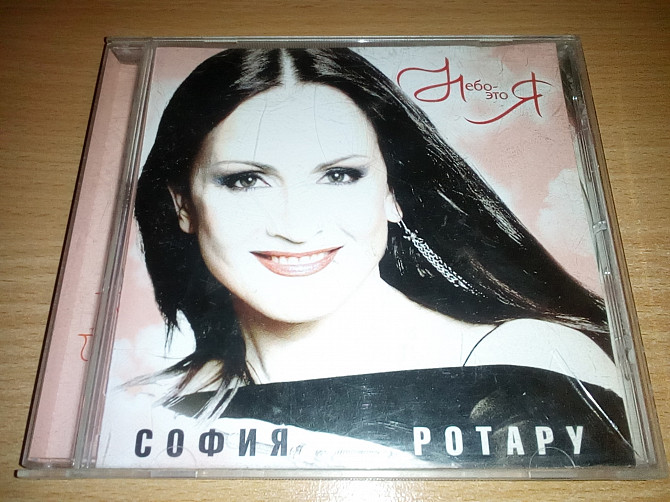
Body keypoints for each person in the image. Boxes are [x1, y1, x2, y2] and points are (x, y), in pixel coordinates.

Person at [133, 48, 632, 466]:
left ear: (393, 192)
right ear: (183, 205)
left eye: (339, 175)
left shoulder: (530, 361)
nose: (296, 227)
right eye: (245, 180)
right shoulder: (149, 411)